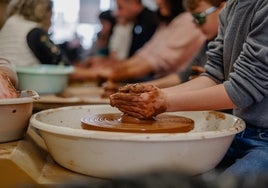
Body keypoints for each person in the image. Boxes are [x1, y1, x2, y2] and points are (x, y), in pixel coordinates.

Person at [110, 0, 268, 177]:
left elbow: (244, 89)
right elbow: (214, 76)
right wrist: (152, 94)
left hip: (265, 140)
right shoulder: (231, 7)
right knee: (154, 174)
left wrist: (163, 102)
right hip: (241, 129)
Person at [70, 0, 206, 83]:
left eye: (120, 7)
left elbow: (152, 63)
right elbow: (143, 56)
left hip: (167, 83)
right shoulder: (168, 23)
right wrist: (107, 68)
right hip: (159, 82)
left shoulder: (187, 21)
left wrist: (97, 73)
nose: (157, 2)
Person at [144, 0, 226, 88]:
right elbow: (183, 76)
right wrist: (144, 87)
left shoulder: (231, 43)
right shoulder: (208, 42)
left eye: (199, 17)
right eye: (194, 20)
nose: (197, 25)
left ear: (222, 8)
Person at [0, 0, 69, 66]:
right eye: (51, 17)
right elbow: (61, 62)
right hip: (23, 77)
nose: (51, 23)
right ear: (44, 12)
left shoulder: (8, 23)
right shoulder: (35, 32)